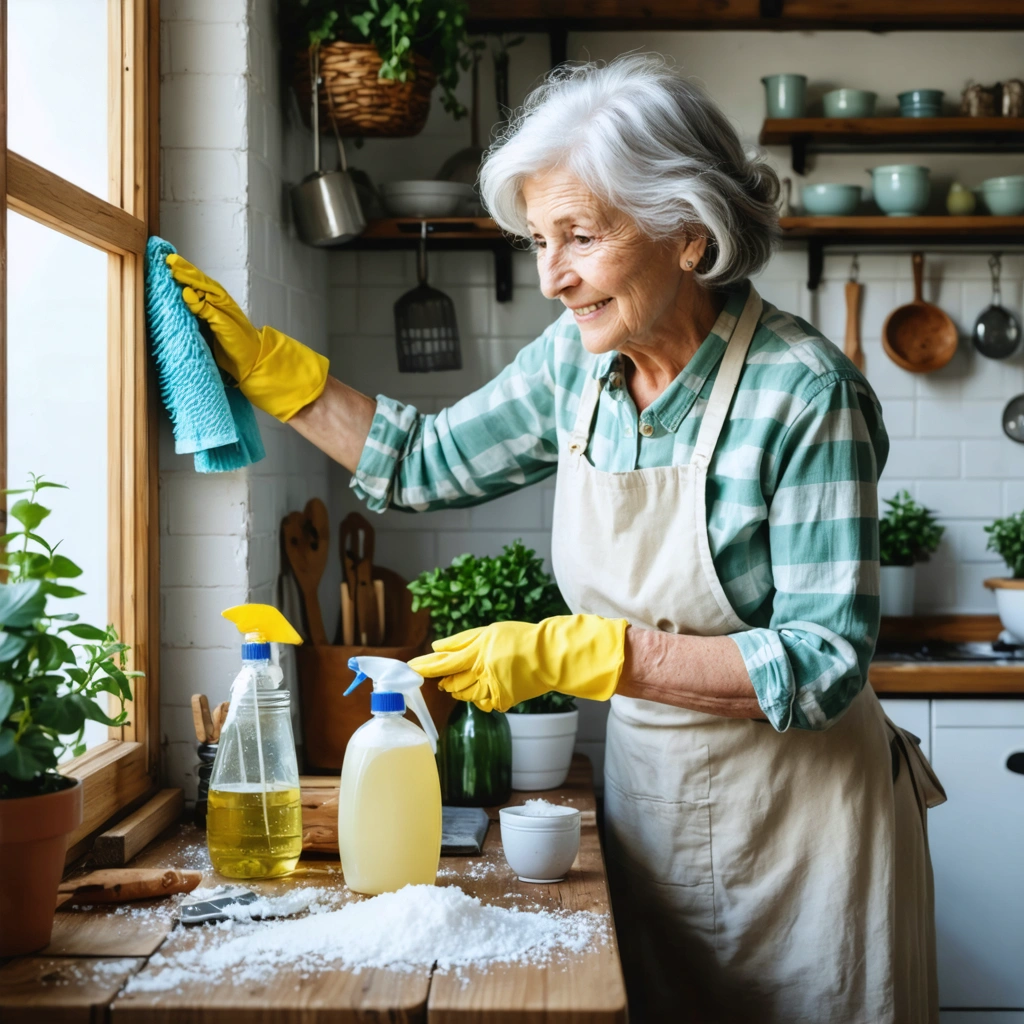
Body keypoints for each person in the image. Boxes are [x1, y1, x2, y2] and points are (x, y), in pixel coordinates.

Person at [168, 54, 945, 1024]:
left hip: (808, 831)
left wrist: (592, 651)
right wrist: (274, 374)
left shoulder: (804, 392)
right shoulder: (576, 365)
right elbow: (424, 462)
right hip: (650, 809)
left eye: (579, 236)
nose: (551, 277)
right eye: (539, 240)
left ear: (689, 233)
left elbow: (823, 664)